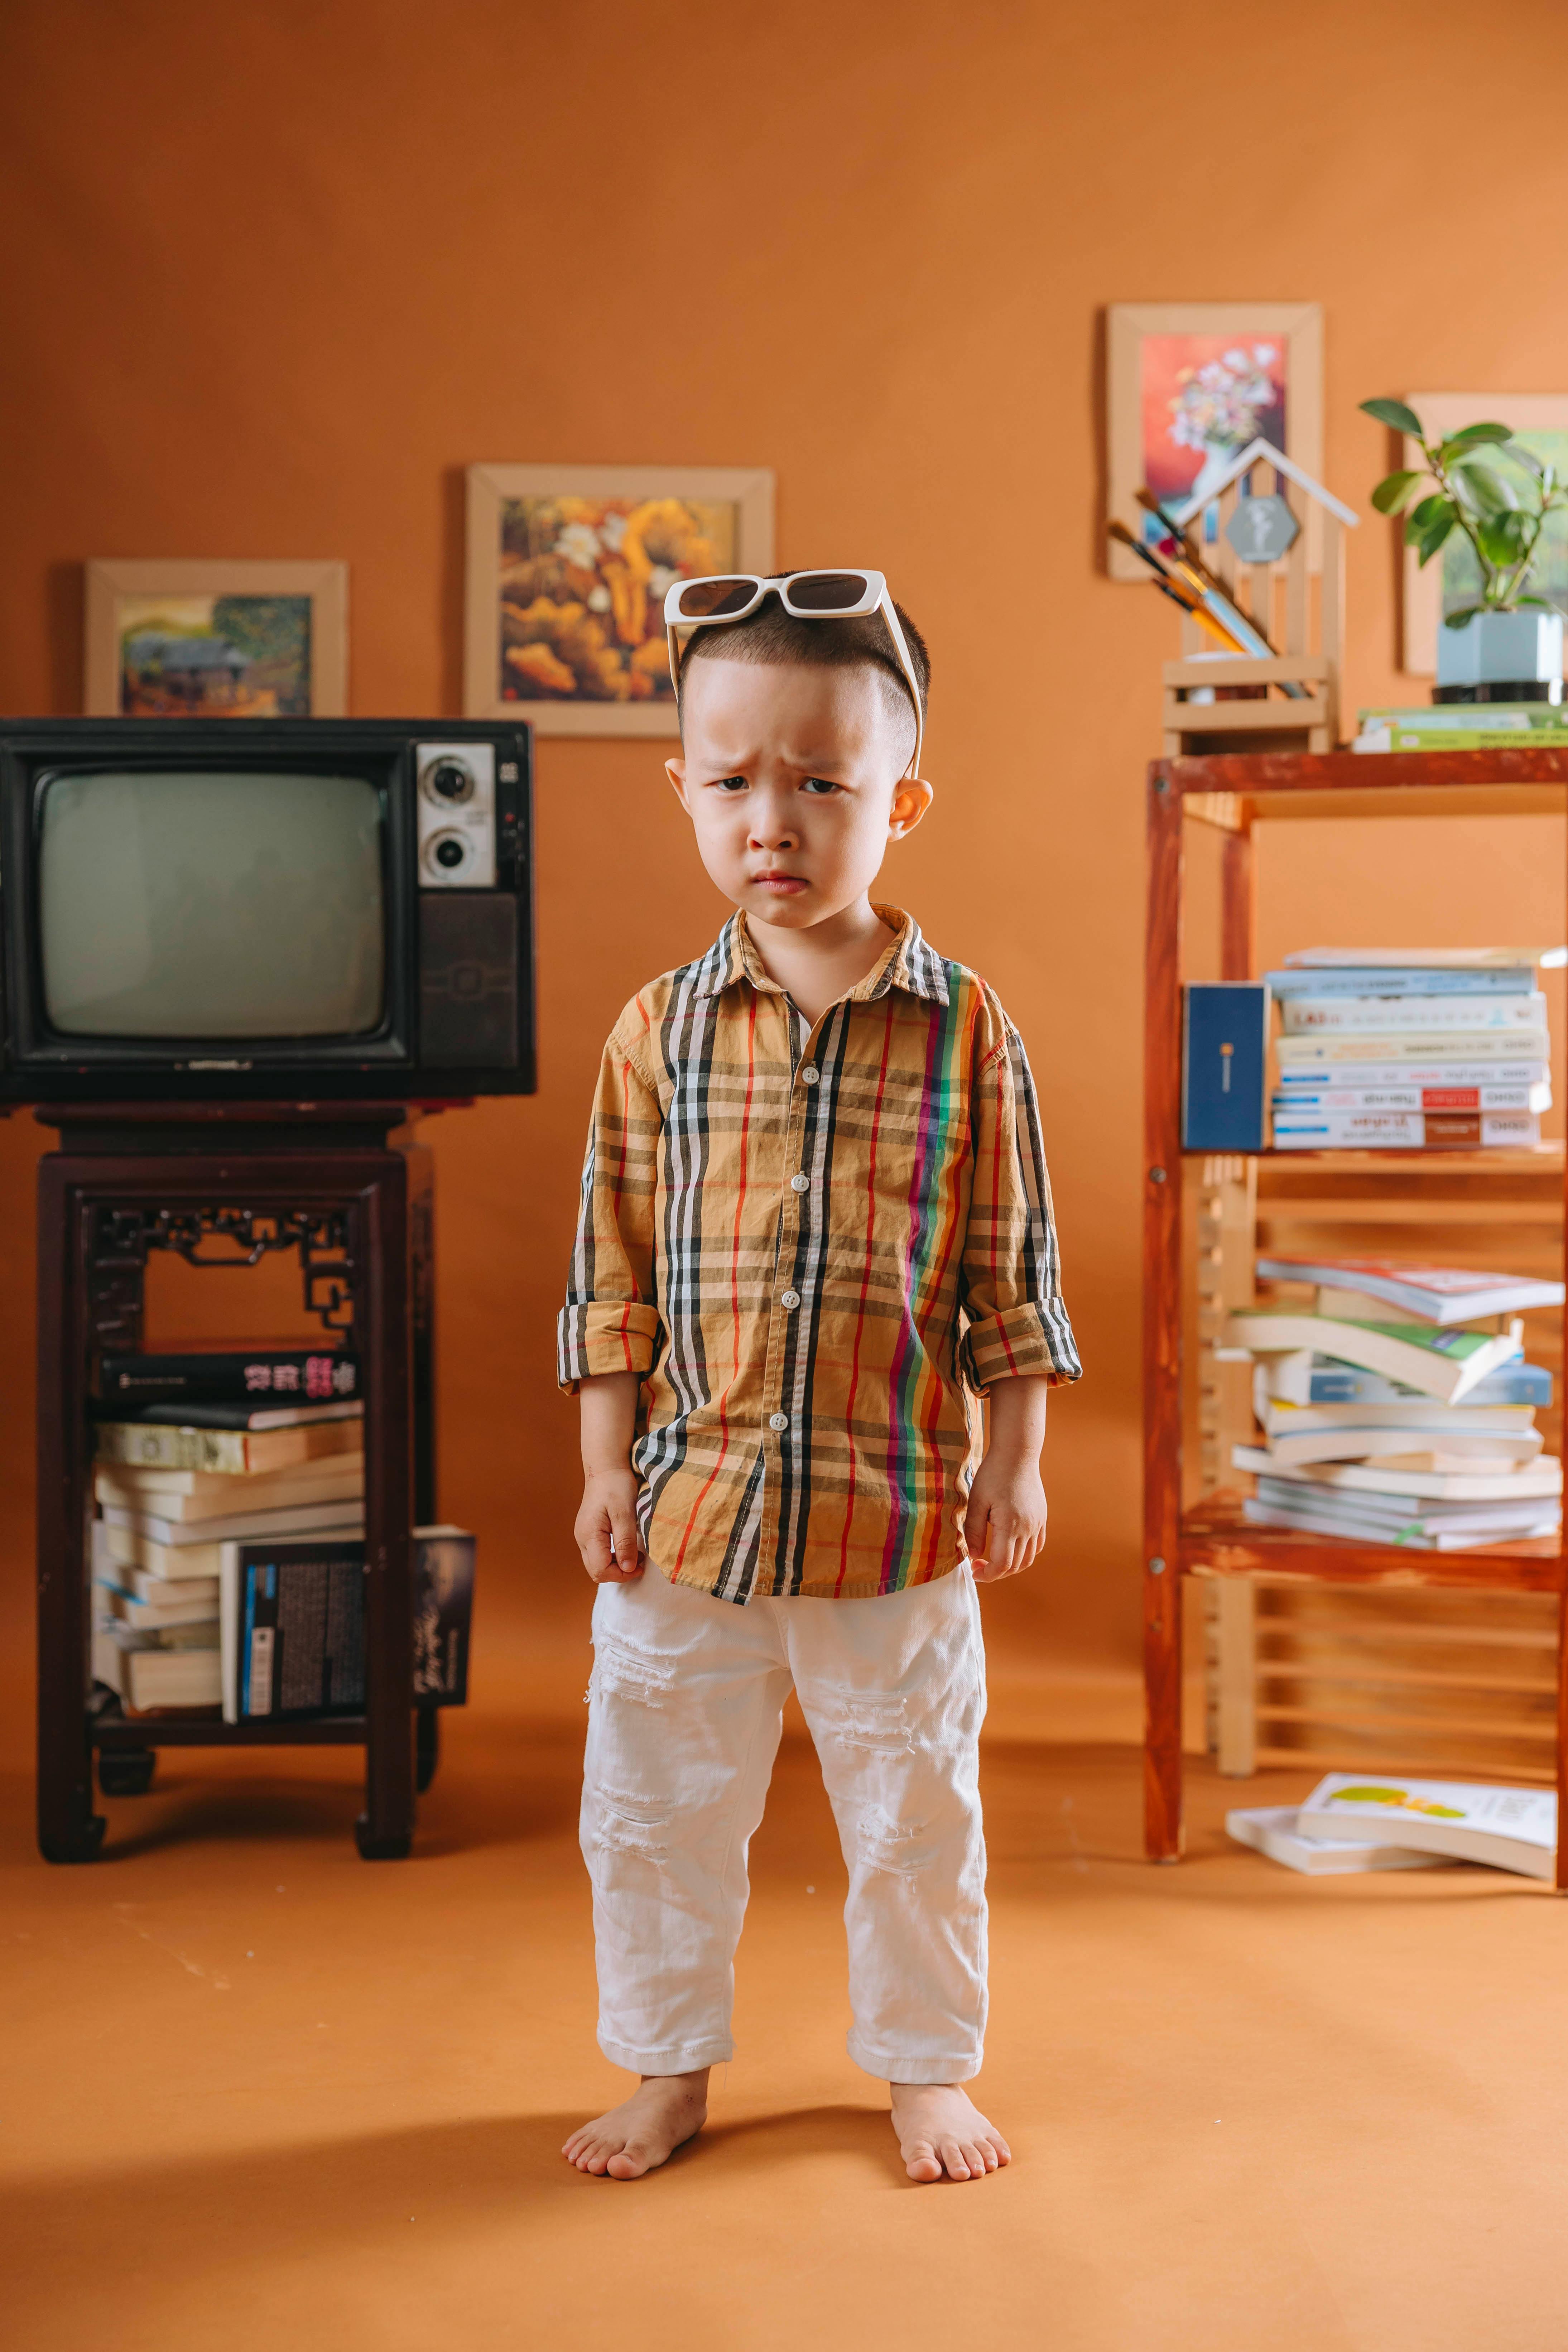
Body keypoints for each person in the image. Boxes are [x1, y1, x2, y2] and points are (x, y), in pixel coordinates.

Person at [557, 569, 1081, 2185]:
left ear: (901, 800)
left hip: (897, 1510)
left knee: (916, 1808)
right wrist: (598, 1466)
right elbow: (611, 1276)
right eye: (730, 782)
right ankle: (666, 2063)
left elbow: (1015, 1267)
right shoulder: (656, 1030)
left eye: (820, 783)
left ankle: (925, 2070)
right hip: (688, 1511)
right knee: (653, 1808)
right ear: (684, 791)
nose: (768, 820)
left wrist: (1016, 1458)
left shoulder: (972, 1031)